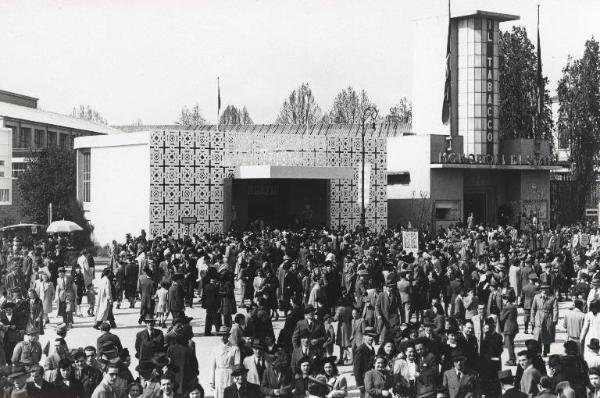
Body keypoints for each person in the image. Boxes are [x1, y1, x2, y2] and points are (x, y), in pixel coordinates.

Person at [210, 326, 241, 398]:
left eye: (225, 335)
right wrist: (212, 380)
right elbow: (212, 366)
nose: (223, 337)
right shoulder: (215, 349)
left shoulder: (235, 348)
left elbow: (237, 366)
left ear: (228, 336)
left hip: (230, 374)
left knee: (230, 393)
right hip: (219, 375)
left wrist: (236, 379)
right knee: (219, 394)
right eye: (221, 335)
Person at [530, 284, 558, 356]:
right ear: (540, 290)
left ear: (548, 289)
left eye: (546, 289)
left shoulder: (552, 298)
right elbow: (533, 309)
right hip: (538, 316)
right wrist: (532, 318)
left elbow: (555, 309)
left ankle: (545, 351)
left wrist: (555, 319)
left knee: (547, 334)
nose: (544, 291)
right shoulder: (536, 297)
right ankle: (539, 351)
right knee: (538, 334)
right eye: (543, 289)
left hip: (548, 317)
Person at [354, 327, 377, 398]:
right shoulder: (361, 349)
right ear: (364, 337)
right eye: (369, 336)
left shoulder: (372, 348)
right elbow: (357, 368)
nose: (371, 338)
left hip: (370, 379)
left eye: (372, 336)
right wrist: (360, 384)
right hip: (363, 380)